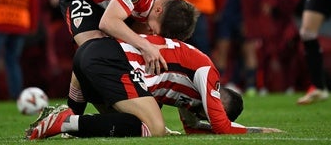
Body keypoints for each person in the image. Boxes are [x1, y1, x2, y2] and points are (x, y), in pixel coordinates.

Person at [28, 35, 282, 139]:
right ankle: (66, 122)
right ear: (217, 99)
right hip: (112, 61)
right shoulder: (209, 77)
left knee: (129, 124)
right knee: (154, 128)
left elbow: (192, 128)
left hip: (92, 56)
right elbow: (221, 126)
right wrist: (255, 131)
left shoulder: (192, 93)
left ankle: (67, 120)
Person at [59, 0, 197, 115]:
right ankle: (71, 114)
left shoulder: (170, 1)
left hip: (115, 3)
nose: (154, 34)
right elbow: (108, 22)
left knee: (136, 56)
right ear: (158, 11)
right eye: (155, 29)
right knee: (92, 52)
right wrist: (145, 45)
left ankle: (126, 115)